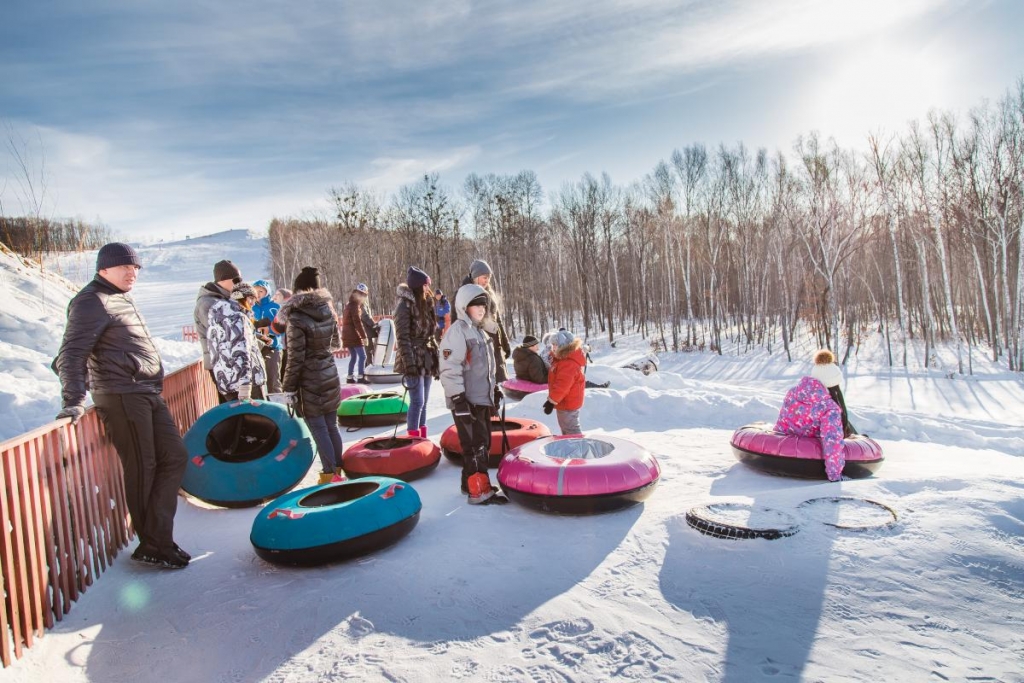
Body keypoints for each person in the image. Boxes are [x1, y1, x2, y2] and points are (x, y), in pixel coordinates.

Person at [53, 243, 190, 569]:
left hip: (143, 392)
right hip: (121, 395)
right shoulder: (91, 301)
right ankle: (155, 545)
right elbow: (70, 354)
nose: (132, 272)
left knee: (175, 455)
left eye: (136, 268)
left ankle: (157, 538)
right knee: (144, 466)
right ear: (103, 269)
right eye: (125, 267)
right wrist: (73, 400)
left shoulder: (117, 298)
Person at [439, 283, 508, 505]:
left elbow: (485, 367)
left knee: (483, 442)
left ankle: (468, 482)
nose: (480, 309)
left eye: (483, 305)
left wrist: (494, 388)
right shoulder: (458, 332)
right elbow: (450, 367)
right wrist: (458, 399)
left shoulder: (481, 331)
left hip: (481, 398)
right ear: (463, 306)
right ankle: (479, 490)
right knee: (475, 446)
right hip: (465, 400)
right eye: (475, 305)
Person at [279, 267, 345, 484]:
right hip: (329, 372)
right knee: (331, 425)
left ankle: (329, 475)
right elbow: (336, 343)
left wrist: (288, 388)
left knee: (318, 427)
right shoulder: (327, 310)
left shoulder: (296, 317)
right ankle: (338, 471)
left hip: (309, 380)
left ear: (298, 290)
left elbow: (294, 358)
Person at [774, 349, 847, 482]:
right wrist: (835, 475)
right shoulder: (829, 408)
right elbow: (832, 442)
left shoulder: (793, 392)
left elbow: (782, 421)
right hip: (806, 457)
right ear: (832, 384)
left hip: (778, 453)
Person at [394, 267, 440, 438]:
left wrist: (437, 359)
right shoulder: (404, 306)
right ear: (417, 286)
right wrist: (410, 364)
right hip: (412, 356)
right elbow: (402, 338)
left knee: (425, 402)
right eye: (425, 285)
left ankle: (422, 437)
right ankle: (413, 438)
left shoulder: (427, 304)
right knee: (417, 401)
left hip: (426, 356)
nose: (428, 289)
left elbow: (431, 333)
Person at [451, 259, 512, 382]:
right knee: (481, 387)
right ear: (475, 276)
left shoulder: (489, 292)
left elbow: (497, 320)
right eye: (484, 277)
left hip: (494, 345)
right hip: (476, 348)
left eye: (489, 277)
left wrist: (505, 343)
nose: (487, 281)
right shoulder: (463, 293)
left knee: (497, 386)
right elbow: (456, 323)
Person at [207, 281, 268, 401]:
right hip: (247, 383)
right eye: (252, 299)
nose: (253, 303)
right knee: (260, 418)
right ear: (244, 298)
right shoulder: (238, 318)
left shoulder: (216, 318)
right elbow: (241, 351)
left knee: (239, 418)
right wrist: (245, 385)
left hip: (228, 381)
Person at [194, 259, 243, 403]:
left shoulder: (227, 299)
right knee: (234, 407)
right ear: (222, 280)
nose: (239, 283)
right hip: (221, 364)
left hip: (232, 361)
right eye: (236, 279)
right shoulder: (207, 303)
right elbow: (226, 333)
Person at [543, 330, 587, 435]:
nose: (552, 347)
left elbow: (562, 385)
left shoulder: (568, 364)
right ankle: (570, 446)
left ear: (563, 346)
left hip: (568, 403)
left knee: (571, 429)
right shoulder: (562, 360)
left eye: (555, 345)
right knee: (567, 428)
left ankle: (577, 449)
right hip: (565, 401)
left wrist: (551, 401)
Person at [810, 349, 858, 437]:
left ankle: (852, 433)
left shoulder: (812, 394)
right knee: (839, 413)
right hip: (830, 436)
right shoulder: (833, 398)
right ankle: (851, 434)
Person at [252, 279, 283, 394]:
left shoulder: (274, 307)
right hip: (255, 349)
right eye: (256, 291)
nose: (258, 294)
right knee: (256, 382)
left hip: (272, 348)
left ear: (267, 292)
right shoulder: (250, 307)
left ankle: (278, 407)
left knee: (273, 381)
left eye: (261, 291)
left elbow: (282, 328)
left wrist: (268, 330)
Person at [341, 283, 369, 383]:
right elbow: (357, 322)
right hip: (353, 335)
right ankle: (361, 377)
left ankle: (350, 377)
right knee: (363, 356)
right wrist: (364, 336)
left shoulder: (349, 304)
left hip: (346, 334)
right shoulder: (354, 305)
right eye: (362, 294)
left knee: (353, 356)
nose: (363, 297)